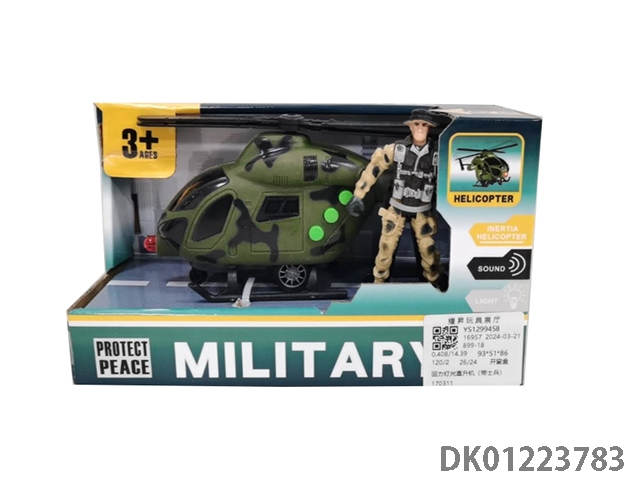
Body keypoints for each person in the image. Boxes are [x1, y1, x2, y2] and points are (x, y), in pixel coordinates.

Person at [347, 108, 447, 290]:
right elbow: (374, 168)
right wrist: (358, 195)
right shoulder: (396, 149)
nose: (420, 128)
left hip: (422, 210)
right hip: (397, 208)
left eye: (424, 125)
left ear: (430, 128)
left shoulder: (437, 154)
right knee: (386, 247)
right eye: (416, 124)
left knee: (428, 250)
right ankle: (378, 283)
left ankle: (434, 282)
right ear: (410, 126)